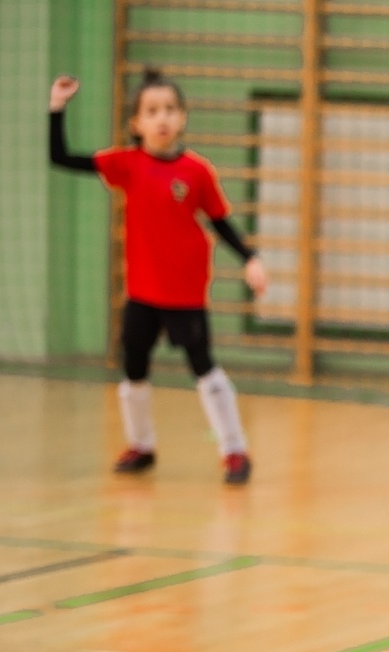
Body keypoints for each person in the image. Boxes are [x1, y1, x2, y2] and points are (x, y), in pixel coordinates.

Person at [49, 69, 266, 484]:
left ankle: (235, 451)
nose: (161, 118)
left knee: (204, 368)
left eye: (169, 109)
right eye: (151, 111)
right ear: (137, 123)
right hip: (143, 294)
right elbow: (60, 157)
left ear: (182, 117)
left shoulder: (197, 172)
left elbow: (220, 221)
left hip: (185, 294)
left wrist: (250, 258)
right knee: (133, 368)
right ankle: (141, 445)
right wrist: (57, 108)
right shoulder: (126, 165)